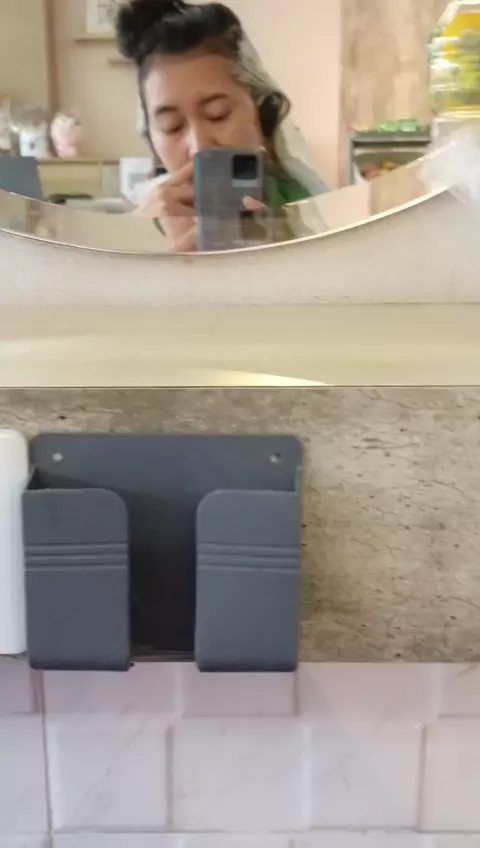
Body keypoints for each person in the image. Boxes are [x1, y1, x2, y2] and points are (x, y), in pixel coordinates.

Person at [116, 0, 326, 251]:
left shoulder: (301, 211)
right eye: (172, 126)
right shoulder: (139, 232)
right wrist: (148, 261)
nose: (199, 145)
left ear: (260, 115)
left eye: (218, 114)